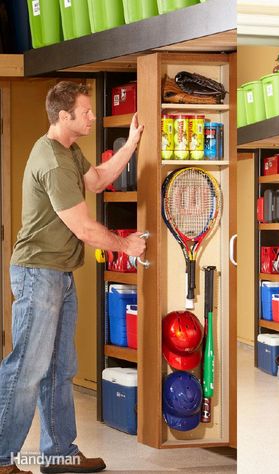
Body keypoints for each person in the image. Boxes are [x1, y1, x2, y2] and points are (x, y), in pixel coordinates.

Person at [0, 81, 145, 474]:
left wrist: (130, 144)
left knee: (60, 368)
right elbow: (84, 228)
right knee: (26, 369)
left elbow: (96, 180)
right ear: (64, 116)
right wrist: (125, 244)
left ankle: (59, 453)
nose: (92, 116)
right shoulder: (52, 161)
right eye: (85, 111)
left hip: (60, 274)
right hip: (38, 274)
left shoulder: (68, 150)